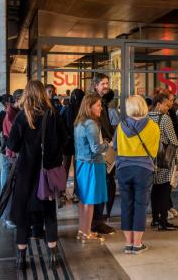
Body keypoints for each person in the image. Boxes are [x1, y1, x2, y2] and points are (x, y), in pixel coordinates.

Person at [7, 80, 67, 270]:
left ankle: (21, 258)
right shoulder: (53, 114)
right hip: (46, 174)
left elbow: (13, 146)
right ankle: (53, 256)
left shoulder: (22, 117)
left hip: (26, 174)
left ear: (27, 94)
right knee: (49, 214)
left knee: (23, 215)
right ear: (43, 94)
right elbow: (65, 140)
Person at [114, 95, 159, 254]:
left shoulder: (121, 126)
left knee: (126, 204)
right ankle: (137, 244)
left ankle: (128, 243)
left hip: (123, 169)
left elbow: (115, 147)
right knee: (140, 205)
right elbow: (155, 151)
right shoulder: (153, 126)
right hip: (144, 169)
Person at [74, 94, 110, 242]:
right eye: (98, 105)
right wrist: (109, 144)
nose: (101, 108)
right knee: (90, 201)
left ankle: (82, 231)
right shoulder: (91, 124)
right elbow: (96, 148)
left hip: (82, 164)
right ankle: (87, 234)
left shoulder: (79, 123)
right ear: (89, 107)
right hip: (92, 166)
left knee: (83, 200)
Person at [148, 94, 178, 231]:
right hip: (165, 159)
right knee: (164, 190)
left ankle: (155, 218)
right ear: (158, 104)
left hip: (151, 158)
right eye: (166, 105)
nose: (168, 109)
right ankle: (163, 221)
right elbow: (174, 142)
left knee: (155, 189)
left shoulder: (146, 117)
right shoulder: (165, 119)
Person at [90, 73, 116, 234]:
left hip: (106, 147)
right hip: (100, 150)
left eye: (107, 83)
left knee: (104, 184)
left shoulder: (103, 102)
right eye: (103, 83)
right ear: (95, 85)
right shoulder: (94, 102)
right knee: (100, 185)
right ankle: (97, 221)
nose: (106, 86)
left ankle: (99, 219)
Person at [1, 89, 23, 229]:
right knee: (10, 186)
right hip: (12, 156)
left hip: (13, 155)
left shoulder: (14, 112)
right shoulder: (11, 114)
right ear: (18, 100)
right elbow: (14, 137)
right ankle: (9, 217)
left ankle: (12, 215)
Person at [61, 88, 85, 203]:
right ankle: (76, 192)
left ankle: (62, 192)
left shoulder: (66, 109)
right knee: (77, 168)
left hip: (67, 142)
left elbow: (61, 125)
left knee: (65, 168)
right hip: (78, 143)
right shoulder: (82, 111)